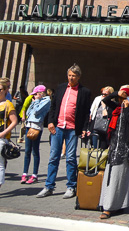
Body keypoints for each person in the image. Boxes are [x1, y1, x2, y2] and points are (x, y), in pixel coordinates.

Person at [37, 64, 92, 199]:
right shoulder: (61, 88)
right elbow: (53, 107)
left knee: (71, 158)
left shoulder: (84, 91)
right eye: (69, 75)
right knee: (53, 157)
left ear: (79, 77)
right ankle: (49, 186)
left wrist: (85, 128)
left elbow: (86, 113)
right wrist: (50, 122)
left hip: (73, 129)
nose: (71, 78)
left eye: (74, 75)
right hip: (58, 127)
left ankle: (71, 186)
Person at [99, 85, 129, 220]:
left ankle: (117, 205)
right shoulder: (115, 108)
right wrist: (117, 93)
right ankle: (107, 204)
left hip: (125, 148)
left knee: (121, 176)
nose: (121, 100)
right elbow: (105, 101)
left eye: (125, 97)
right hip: (113, 146)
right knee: (110, 175)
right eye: (120, 98)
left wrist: (128, 107)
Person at [21, 85, 50, 185]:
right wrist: (33, 103)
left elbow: (37, 112)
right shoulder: (36, 100)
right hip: (29, 125)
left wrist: (37, 101)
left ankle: (34, 175)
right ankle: (25, 173)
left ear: (41, 93)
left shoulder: (47, 100)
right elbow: (29, 112)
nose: (34, 96)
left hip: (36, 127)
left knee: (35, 151)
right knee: (27, 151)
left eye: (36, 94)